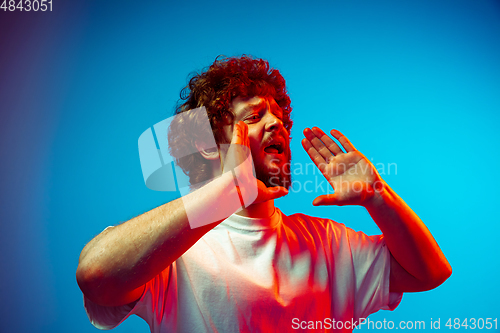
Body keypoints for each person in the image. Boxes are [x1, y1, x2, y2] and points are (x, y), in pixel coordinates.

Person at [76, 55, 451, 332]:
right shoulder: (175, 250)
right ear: (209, 146)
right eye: (254, 117)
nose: (278, 124)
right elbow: (96, 276)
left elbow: (429, 273)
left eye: (279, 117)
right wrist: (225, 193)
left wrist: (378, 197)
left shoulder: (328, 243)